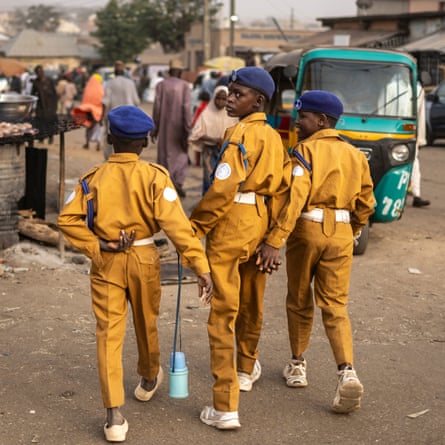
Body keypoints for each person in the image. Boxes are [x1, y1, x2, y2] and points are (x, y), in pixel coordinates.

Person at [57, 105, 213, 443]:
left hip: (107, 261)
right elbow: (179, 228)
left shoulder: (92, 178)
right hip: (144, 257)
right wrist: (200, 266)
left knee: (108, 333)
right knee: (146, 320)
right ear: (145, 142)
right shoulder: (155, 177)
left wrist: (98, 244)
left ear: (110, 139)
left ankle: (114, 415)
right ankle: (147, 377)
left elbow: (66, 219)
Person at [256, 90, 375, 414]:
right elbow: (367, 201)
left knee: (298, 299)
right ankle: (346, 370)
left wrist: (274, 240)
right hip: (340, 232)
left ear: (321, 120)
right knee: (335, 306)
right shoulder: (354, 155)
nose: (297, 122)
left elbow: (295, 199)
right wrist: (351, 230)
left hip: (306, 230)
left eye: (302, 116)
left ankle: (297, 365)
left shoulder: (304, 151)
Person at [189, 67, 291, 429]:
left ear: (258, 100)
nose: (230, 99)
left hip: (232, 225)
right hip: (259, 225)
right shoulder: (275, 137)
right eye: (230, 93)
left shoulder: (239, 135)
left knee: (222, 314)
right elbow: (282, 193)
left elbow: (221, 191)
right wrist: (272, 241)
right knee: (252, 302)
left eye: (238, 94)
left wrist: (194, 227)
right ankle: (246, 369)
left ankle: (224, 406)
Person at [151, 59, 192, 198]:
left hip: (164, 126)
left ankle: (166, 181)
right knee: (181, 154)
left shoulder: (161, 85)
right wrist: (188, 128)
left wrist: (154, 128)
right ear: (180, 72)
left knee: (164, 154)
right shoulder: (185, 86)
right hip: (180, 127)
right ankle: (178, 181)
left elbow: (157, 107)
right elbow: (187, 108)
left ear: (169, 71)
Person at [188, 85, 238, 193]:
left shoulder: (232, 115)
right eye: (218, 98)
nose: (220, 102)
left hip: (227, 151)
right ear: (213, 98)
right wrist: (215, 140)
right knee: (209, 179)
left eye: (224, 99)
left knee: (224, 180)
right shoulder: (206, 114)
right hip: (210, 151)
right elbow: (196, 133)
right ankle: (206, 205)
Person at [102, 60, 141, 160]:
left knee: (112, 140)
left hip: (113, 117)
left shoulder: (110, 83)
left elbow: (105, 102)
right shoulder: (130, 83)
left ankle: (111, 162)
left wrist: (101, 117)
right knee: (128, 139)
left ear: (114, 72)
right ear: (124, 72)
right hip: (129, 117)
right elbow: (136, 101)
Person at [71, 73, 105, 151]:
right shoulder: (101, 89)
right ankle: (98, 144)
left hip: (88, 111)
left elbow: (84, 100)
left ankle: (87, 143)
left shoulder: (87, 88)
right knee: (99, 128)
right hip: (98, 112)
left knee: (88, 127)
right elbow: (103, 101)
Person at [411, 81, 430, 207]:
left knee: (414, 165)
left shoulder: (417, 89)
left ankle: (416, 194)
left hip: (409, 132)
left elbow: (420, 117)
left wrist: (420, 139)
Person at [31, 65, 58, 144]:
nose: (40, 74)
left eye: (41, 72)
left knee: (50, 122)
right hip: (40, 106)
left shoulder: (49, 81)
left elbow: (54, 93)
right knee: (40, 122)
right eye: (38, 72)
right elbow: (32, 94)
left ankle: (50, 137)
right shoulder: (36, 82)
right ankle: (41, 137)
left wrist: (55, 106)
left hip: (50, 105)